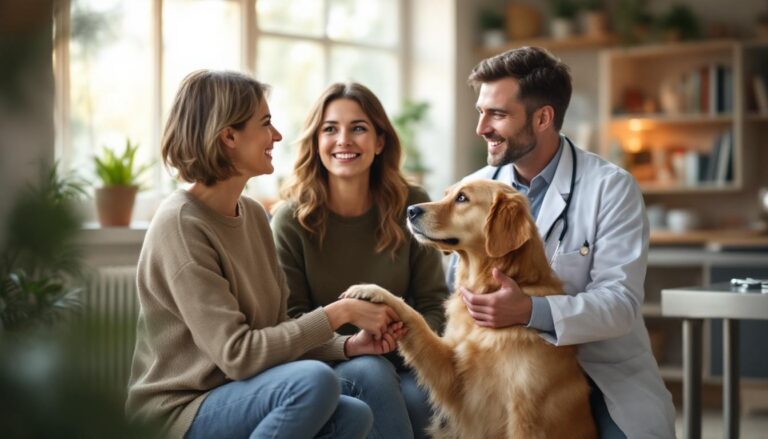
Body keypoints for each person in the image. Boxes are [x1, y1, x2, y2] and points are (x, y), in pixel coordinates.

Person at [125, 70, 410, 439]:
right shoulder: (181, 223)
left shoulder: (255, 215)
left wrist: (348, 345)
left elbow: (275, 336)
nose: (276, 135)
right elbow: (239, 355)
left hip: (239, 392)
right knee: (312, 382)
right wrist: (340, 313)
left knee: (352, 416)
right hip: (180, 411)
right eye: (265, 123)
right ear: (229, 136)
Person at [454, 46, 676, 438]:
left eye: (498, 114)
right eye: (481, 112)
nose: (481, 127)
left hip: (602, 374)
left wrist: (530, 311)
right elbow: (457, 292)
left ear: (543, 118)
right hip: (507, 374)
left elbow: (620, 304)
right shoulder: (471, 190)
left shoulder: (610, 188)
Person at [271, 82, 449, 439]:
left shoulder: (411, 204)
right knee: (371, 372)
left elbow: (434, 305)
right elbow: (289, 322)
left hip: (404, 359)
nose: (344, 140)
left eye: (358, 128)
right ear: (316, 142)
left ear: (380, 142)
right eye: (330, 129)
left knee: (424, 403)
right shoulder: (290, 219)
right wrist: (355, 345)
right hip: (327, 366)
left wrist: (391, 339)